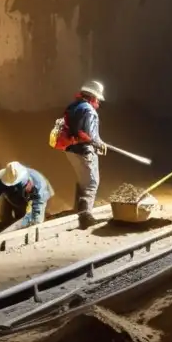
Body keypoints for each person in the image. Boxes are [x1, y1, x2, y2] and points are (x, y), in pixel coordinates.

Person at [59, 80, 108, 230]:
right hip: (83, 151)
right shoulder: (89, 110)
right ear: (93, 96)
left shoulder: (73, 106)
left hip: (70, 150)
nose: (98, 101)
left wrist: (100, 143)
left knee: (82, 181)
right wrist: (98, 144)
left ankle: (78, 210)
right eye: (97, 98)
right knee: (91, 183)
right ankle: (85, 216)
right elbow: (87, 134)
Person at [0, 161, 54, 236]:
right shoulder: (6, 177)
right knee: (9, 219)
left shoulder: (38, 185)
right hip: (15, 197)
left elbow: (37, 214)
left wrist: (34, 226)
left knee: (29, 222)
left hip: (35, 199)